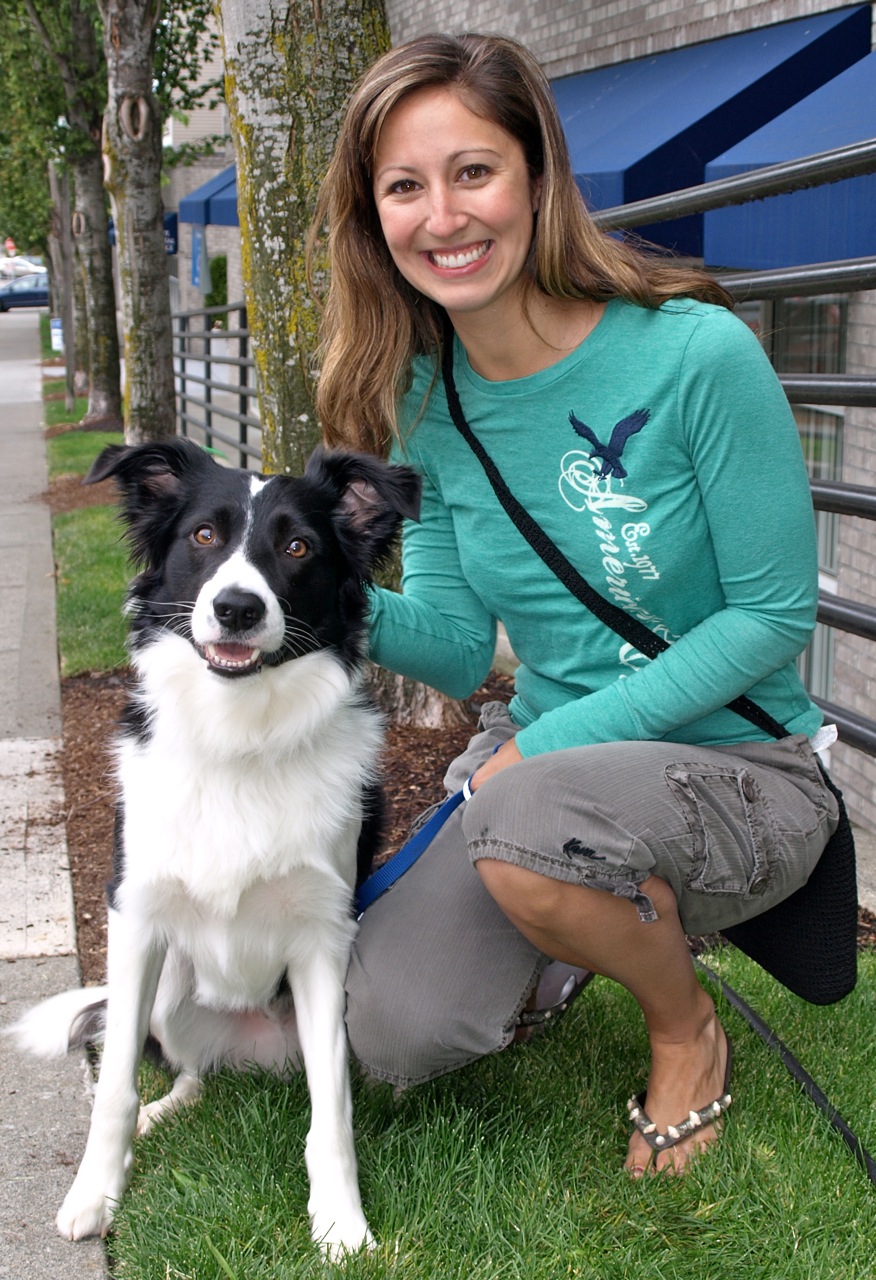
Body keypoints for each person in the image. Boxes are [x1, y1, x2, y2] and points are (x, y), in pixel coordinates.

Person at [307, 32, 839, 1176]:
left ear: (537, 179)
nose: (443, 216)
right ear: (374, 218)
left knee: (524, 822)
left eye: (472, 172)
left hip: (747, 766)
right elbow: (455, 648)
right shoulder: (426, 397)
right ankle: (573, 913)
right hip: (546, 780)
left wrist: (540, 748)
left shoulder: (695, 354)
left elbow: (769, 618)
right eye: (404, 186)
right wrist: (307, 599)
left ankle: (682, 1025)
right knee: (396, 1029)